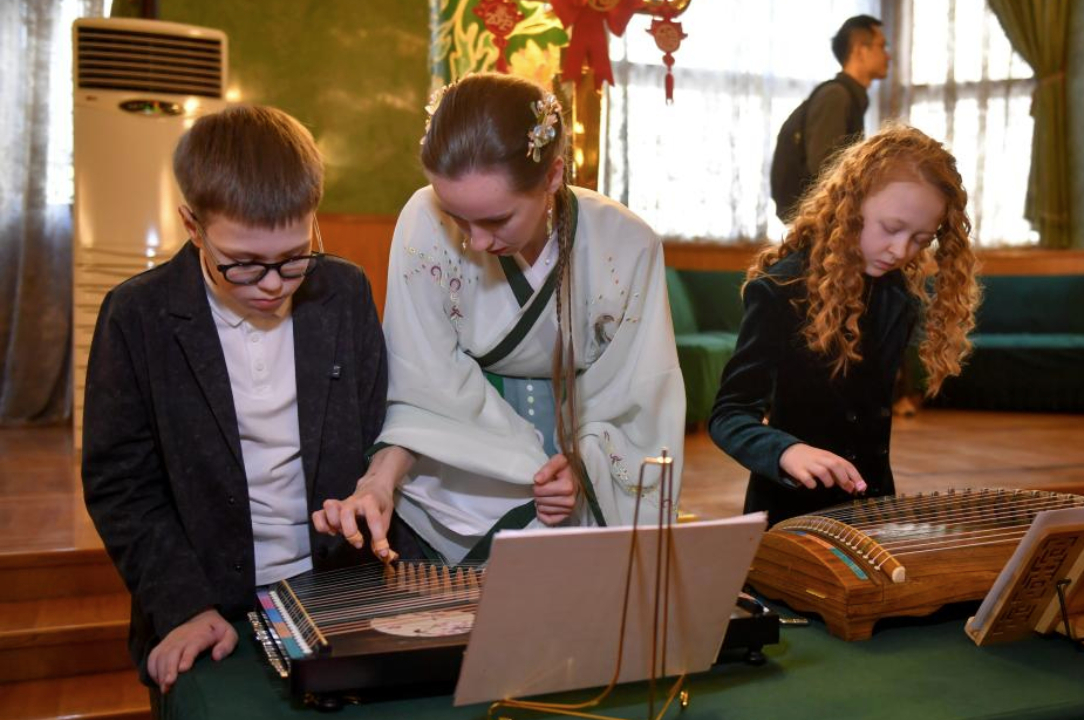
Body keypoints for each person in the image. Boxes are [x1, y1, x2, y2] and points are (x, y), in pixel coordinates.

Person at [81, 105, 409, 701]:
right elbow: (121, 484)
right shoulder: (139, 316)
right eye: (244, 264)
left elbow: (376, 431)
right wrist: (181, 604)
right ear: (191, 224)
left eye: (293, 257)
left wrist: (367, 492)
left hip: (337, 592)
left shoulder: (342, 291)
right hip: (205, 603)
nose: (273, 284)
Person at [314, 73, 685, 564]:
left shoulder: (627, 244)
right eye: (458, 217)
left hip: (584, 453)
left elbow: (637, 395)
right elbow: (424, 388)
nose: (475, 242)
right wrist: (377, 481)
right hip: (462, 461)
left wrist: (583, 467)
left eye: (495, 220)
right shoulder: (424, 221)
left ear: (552, 177)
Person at [711, 125, 980, 526]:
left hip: (870, 514)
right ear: (850, 206)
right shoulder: (782, 288)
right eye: (891, 229)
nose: (901, 251)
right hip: (789, 515)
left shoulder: (897, 298)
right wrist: (786, 451)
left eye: (921, 240)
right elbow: (729, 414)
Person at [769, 14, 890, 223]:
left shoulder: (846, 95)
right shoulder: (837, 96)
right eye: (882, 46)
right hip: (816, 221)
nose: (888, 56)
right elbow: (826, 168)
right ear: (861, 50)